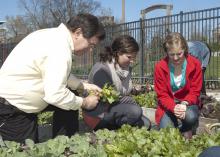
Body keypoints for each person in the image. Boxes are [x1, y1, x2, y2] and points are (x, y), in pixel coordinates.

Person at [0, 13, 105, 143]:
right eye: (91, 44)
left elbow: (59, 75)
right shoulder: (59, 48)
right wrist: (84, 102)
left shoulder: (52, 36)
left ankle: (64, 143)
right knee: (24, 151)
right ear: (78, 33)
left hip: (20, 101)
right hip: (14, 109)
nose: (90, 50)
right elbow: (55, 95)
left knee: (70, 98)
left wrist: (84, 86)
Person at [83, 35, 151, 131]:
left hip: (114, 110)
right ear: (118, 53)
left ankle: (117, 128)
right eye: (129, 57)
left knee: (146, 124)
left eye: (134, 57)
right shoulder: (102, 69)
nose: (132, 61)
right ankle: (114, 131)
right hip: (97, 115)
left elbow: (121, 94)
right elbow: (107, 100)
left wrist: (135, 92)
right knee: (135, 112)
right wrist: (128, 100)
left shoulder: (124, 69)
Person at [154, 32, 202, 139]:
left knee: (190, 116)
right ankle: (181, 127)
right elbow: (162, 94)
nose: (175, 58)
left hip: (187, 103)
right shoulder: (160, 67)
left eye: (179, 54)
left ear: (185, 49)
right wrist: (174, 107)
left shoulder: (195, 64)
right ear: (167, 52)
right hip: (169, 104)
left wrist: (184, 103)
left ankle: (186, 128)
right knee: (166, 131)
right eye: (171, 54)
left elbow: (195, 91)